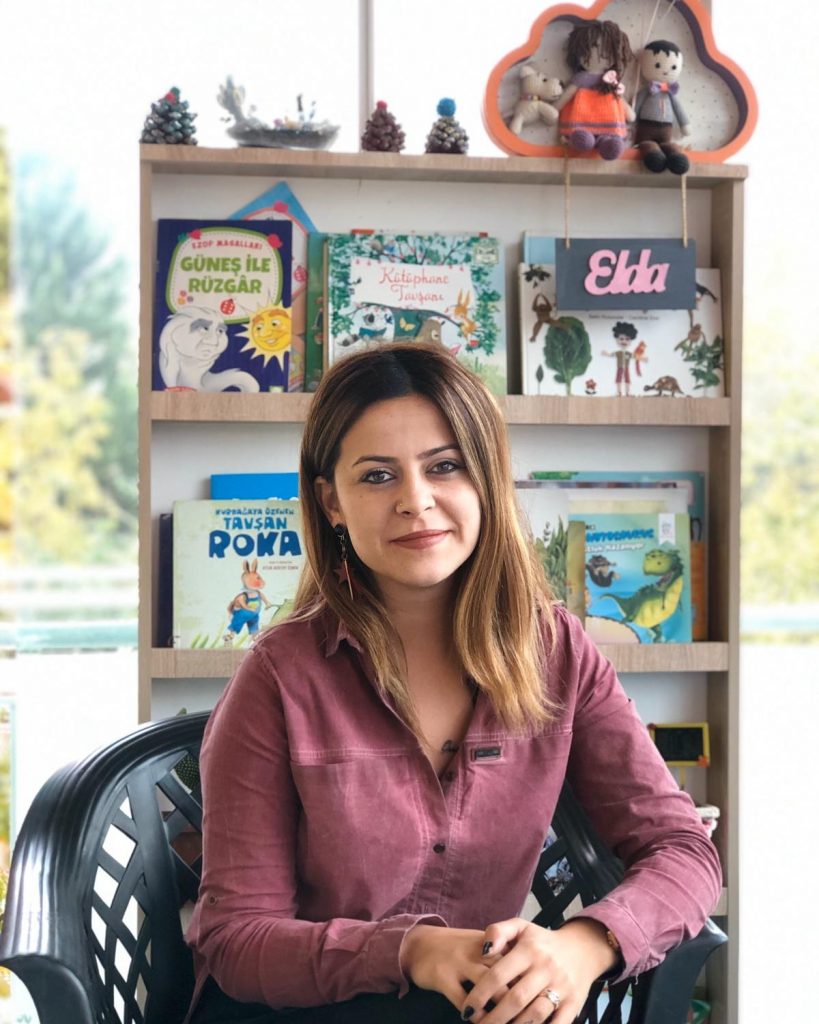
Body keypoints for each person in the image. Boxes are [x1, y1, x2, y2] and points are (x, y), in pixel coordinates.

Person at [185, 342, 721, 1024]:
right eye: (377, 476)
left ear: (487, 478)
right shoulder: (276, 677)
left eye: (444, 466)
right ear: (331, 503)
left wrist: (585, 945)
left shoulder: (558, 652)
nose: (416, 501)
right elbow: (236, 940)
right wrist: (410, 951)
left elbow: (682, 849)